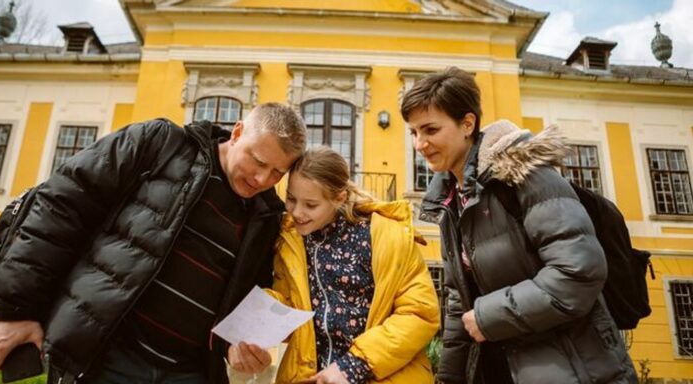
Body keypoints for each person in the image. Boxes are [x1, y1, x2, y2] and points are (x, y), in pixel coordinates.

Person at [0, 102, 307, 384]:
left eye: (278, 172)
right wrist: (15, 310)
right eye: (259, 162)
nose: (263, 180)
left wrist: (236, 346)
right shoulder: (161, 144)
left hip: (191, 373)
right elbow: (62, 206)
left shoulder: (267, 217)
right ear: (237, 133)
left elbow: (244, 302)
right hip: (108, 357)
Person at [401, 67, 638, 384]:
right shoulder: (449, 202)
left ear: (467, 124)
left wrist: (488, 318)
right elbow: (459, 304)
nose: (420, 143)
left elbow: (578, 273)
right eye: (413, 133)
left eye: (430, 130)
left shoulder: (524, 176)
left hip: (576, 369)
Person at [266, 146, 440, 384]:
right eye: (291, 199)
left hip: (380, 376)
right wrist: (259, 324)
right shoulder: (290, 242)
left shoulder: (387, 237)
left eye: (311, 205)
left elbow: (419, 313)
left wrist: (354, 366)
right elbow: (291, 309)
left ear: (339, 198)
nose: (297, 212)